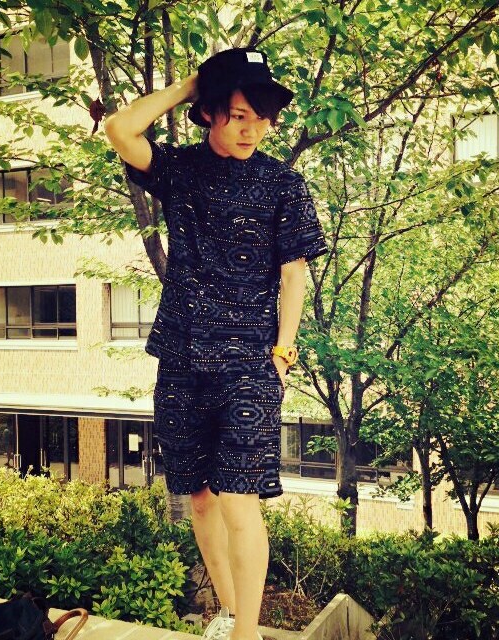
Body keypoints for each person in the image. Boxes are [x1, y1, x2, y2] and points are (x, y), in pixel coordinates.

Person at [105, 47, 327, 640]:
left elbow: (294, 274)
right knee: (199, 497)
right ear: (209, 114)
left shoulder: (283, 184)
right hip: (180, 356)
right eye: (237, 115)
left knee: (238, 497)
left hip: (251, 363)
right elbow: (121, 129)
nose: (251, 129)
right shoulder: (180, 171)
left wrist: (283, 353)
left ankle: (247, 632)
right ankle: (229, 612)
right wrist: (190, 85)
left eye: (261, 117)